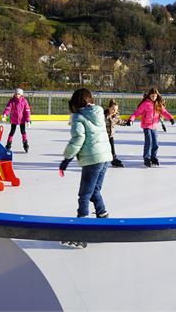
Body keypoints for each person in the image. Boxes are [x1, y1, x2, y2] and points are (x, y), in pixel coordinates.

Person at [58, 88, 112, 247]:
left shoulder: (78, 117)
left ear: (74, 104)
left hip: (93, 159)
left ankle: (81, 231)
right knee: (95, 190)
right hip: (105, 157)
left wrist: (66, 159)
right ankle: (103, 217)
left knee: (84, 194)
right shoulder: (98, 113)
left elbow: (78, 140)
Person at [128, 87, 175, 167]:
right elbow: (137, 113)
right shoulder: (145, 104)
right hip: (146, 126)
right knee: (149, 142)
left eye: (155, 96)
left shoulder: (158, 104)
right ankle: (147, 158)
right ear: (149, 95)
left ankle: (153, 157)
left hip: (154, 126)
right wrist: (131, 119)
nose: (154, 98)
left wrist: (170, 118)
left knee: (155, 143)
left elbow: (164, 112)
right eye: (152, 96)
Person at [1, 88, 31, 152]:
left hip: (22, 119)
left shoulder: (24, 101)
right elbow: (8, 108)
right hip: (14, 119)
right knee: (12, 132)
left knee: (23, 132)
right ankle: (8, 145)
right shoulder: (12, 101)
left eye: (18, 94)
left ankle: (25, 144)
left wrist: (28, 120)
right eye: (16, 94)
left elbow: (27, 111)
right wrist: (5, 115)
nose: (17, 95)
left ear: (21, 94)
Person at [105, 99, 130, 168]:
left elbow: (120, 121)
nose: (114, 111)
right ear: (109, 108)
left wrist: (127, 122)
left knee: (112, 149)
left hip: (110, 136)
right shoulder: (103, 115)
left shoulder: (115, 116)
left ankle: (114, 160)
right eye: (113, 109)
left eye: (116, 110)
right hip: (102, 136)